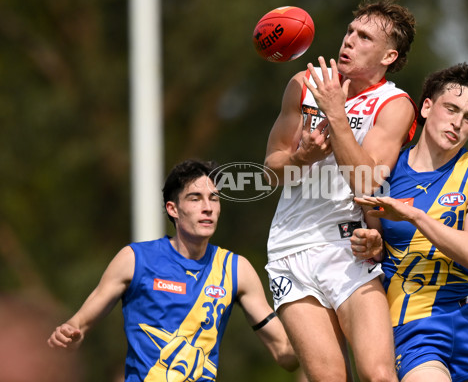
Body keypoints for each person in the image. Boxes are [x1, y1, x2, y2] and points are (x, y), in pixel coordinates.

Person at [264, 0, 418, 382]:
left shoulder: (395, 105)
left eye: (364, 37)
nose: (349, 40)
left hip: (349, 249)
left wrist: (336, 113)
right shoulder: (303, 84)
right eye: (350, 31)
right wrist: (302, 158)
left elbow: (367, 180)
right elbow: (270, 170)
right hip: (291, 248)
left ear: (388, 56)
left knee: (379, 374)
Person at [351, 63, 468, 381]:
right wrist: (372, 244)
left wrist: (415, 216)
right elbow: (372, 247)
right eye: (451, 109)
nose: (457, 123)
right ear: (428, 107)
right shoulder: (386, 172)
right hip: (413, 326)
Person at [48, 159, 298, 381]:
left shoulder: (235, 269)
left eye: (214, 198)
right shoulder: (135, 259)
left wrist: (328, 341)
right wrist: (70, 335)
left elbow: (285, 353)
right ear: (173, 209)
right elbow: (78, 324)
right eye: (195, 198)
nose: (208, 207)